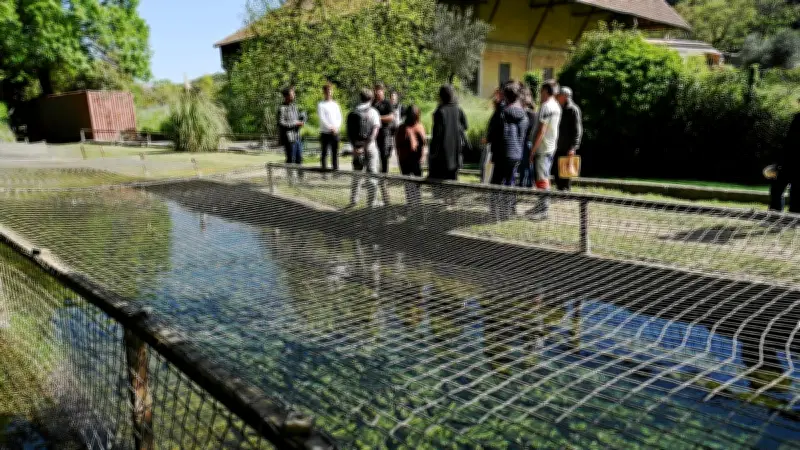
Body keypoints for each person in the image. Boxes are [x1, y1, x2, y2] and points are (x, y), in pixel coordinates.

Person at [486, 80, 529, 220]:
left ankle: (494, 213)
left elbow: (493, 133)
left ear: (505, 96)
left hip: (501, 152)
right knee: (510, 182)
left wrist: (491, 145)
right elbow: (524, 134)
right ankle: (507, 212)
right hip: (516, 153)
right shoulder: (524, 114)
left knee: (496, 182)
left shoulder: (501, 113)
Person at [529, 79, 561, 218]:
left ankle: (544, 210)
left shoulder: (546, 107)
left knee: (542, 178)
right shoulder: (556, 106)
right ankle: (540, 205)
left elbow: (542, 131)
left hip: (543, 147)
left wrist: (533, 150)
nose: (540, 94)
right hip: (551, 146)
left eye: (541, 91)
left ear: (546, 91)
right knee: (543, 176)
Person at [347, 88, 382, 208]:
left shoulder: (353, 112)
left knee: (356, 173)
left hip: (356, 147)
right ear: (371, 99)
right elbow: (375, 131)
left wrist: (355, 146)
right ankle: (371, 202)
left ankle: (353, 199)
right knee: (372, 174)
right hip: (370, 147)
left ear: (360, 98)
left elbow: (349, 132)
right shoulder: (373, 112)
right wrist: (367, 144)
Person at [429, 84, 468, 185]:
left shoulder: (440, 111)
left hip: (442, 155)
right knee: (453, 183)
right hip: (455, 152)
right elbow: (465, 126)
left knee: (441, 186)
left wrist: (432, 153)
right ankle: (451, 201)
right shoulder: (458, 110)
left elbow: (437, 135)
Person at [395, 105, 426, 207]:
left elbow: (423, 144)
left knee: (417, 183)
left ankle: (417, 203)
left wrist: (421, 156)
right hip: (405, 159)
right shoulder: (401, 128)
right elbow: (398, 144)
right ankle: (411, 203)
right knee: (408, 182)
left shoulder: (419, 126)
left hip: (415, 159)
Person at [770, 111, 800, 214]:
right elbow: (789, 141)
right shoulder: (797, 117)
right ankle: (775, 215)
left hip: (794, 162)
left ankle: (792, 217)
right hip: (788, 161)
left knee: (795, 193)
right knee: (777, 189)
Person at [554, 86, 583, 191]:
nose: (557, 97)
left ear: (565, 96)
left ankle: (565, 190)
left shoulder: (573, 109)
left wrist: (573, 147)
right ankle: (560, 189)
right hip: (558, 145)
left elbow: (577, 130)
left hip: (567, 146)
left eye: (559, 95)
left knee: (566, 172)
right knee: (557, 171)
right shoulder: (559, 108)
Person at [372, 83, 394, 203]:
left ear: (383, 91)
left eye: (379, 90)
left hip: (384, 132)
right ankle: (376, 176)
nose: (377, 92)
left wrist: (377, 118)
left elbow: (391, 117)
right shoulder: (372, 103)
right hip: (374, 133)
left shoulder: (387, 103)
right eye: (376, 90)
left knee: (384, 155)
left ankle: (384, 176)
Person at [317, 83, 343, 171]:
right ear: (324, 92)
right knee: (324, 152)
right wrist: (330, 128)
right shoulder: (321, 105)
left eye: (330, 90)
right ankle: (324, 169)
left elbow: (339, 117)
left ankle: (335, 168)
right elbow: (322, 118)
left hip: (335, 131)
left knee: (335, 151)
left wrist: (336, 127)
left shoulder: (335, 104)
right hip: (325, 132)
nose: (329, 92)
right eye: (327, 91)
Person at [277, 87, 304, 165]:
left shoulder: (294, 106)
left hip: (297, 137)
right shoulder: (282, 108)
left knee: (299, 160)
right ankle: (290, 177)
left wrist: (302, 119)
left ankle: (300, 177)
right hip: (289, 139)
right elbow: (281, 123)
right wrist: (295, 123)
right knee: (291, 160)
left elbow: (297, 119)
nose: (294, 95)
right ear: (286, 96)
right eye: (292, 93)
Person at [518, 86, 538, 188]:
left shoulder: (531, 113)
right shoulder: (526, 112)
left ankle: (526, 183)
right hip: (525, 141)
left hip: (527, 141)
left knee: (526, 163)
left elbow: (530, 129)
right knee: (524, 164)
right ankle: (525, 182)